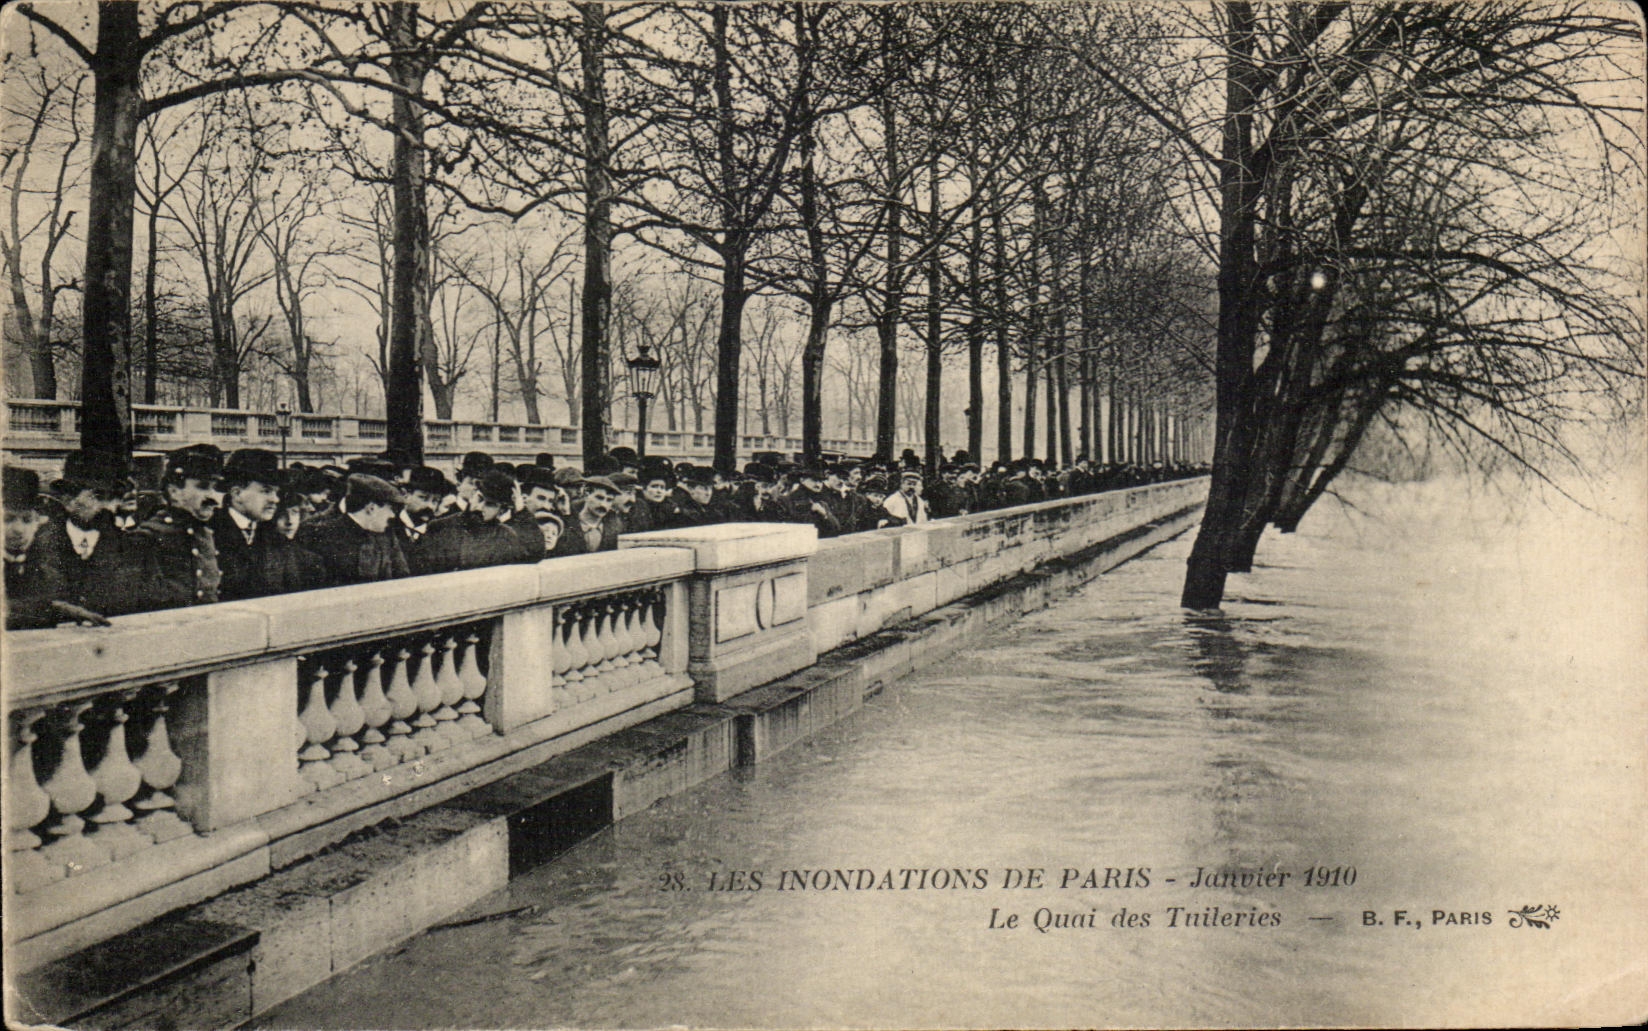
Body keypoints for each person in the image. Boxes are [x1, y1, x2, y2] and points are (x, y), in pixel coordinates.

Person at [117, 447, 226, 614]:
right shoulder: (147, 536)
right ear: (174, 491)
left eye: (215, 488)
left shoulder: (206, 533)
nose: (213, 497)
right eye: (203, 487)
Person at [31, 449, 129, 616]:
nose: (108, 506)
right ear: (69, 501)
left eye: (112, 496)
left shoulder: (127, 544)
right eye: (96, 497)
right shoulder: (40, 543)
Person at [4, 466, 95, 629]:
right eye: (7, 519)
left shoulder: (43, 561)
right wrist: (54, 609)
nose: (18, 529)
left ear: (37, 522)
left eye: (26, 520)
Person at [296, 474, 409, 585]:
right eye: (390, 509)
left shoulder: (386, 539)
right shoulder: (321, 536)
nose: (392, 515)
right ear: (371, 508)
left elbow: (402, 580)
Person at [417, 470, 538, 574]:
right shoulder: (440, 527)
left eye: (490, 504)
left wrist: (521, 511)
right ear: (473, 495)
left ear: (501, 511)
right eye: (479, 498)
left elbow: (533, 555)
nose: (480, 507)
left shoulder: (506, 536)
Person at [212, 448, 286, 601]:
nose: (275, 499)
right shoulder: (212, 531)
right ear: (237, 494)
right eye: (266, 491)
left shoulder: (272, 534)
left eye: (276, 492)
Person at [553, 475, 623, 555]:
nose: (604, 505)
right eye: (599, 498)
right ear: (586, 495)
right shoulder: (568, 523)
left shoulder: (612, 528)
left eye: (609, 500)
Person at [783, 466, 842, 538]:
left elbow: (837, 529)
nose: (818, 485)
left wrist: (824, 514)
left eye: (820, 481)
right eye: (814, 480)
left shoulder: (822, 503)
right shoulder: (787, 501)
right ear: (802, 480)